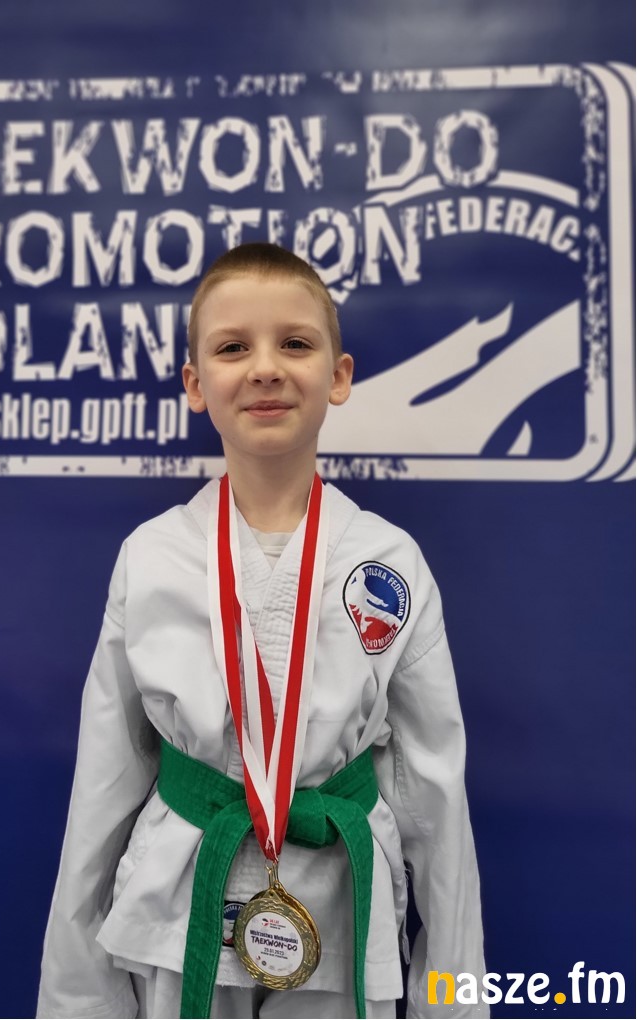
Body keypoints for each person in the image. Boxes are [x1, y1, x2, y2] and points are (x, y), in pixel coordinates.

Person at [37, 243, 486, 1020]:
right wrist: (78, 999)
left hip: (339, 907)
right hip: (178, 906)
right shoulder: (152, 557)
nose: (266, 368)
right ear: (194, 384)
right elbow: (103, 784)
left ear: (338, 376)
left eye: (295, 343)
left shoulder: (387, 561)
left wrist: (451, 999)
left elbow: (434, 795)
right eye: (232, 348)